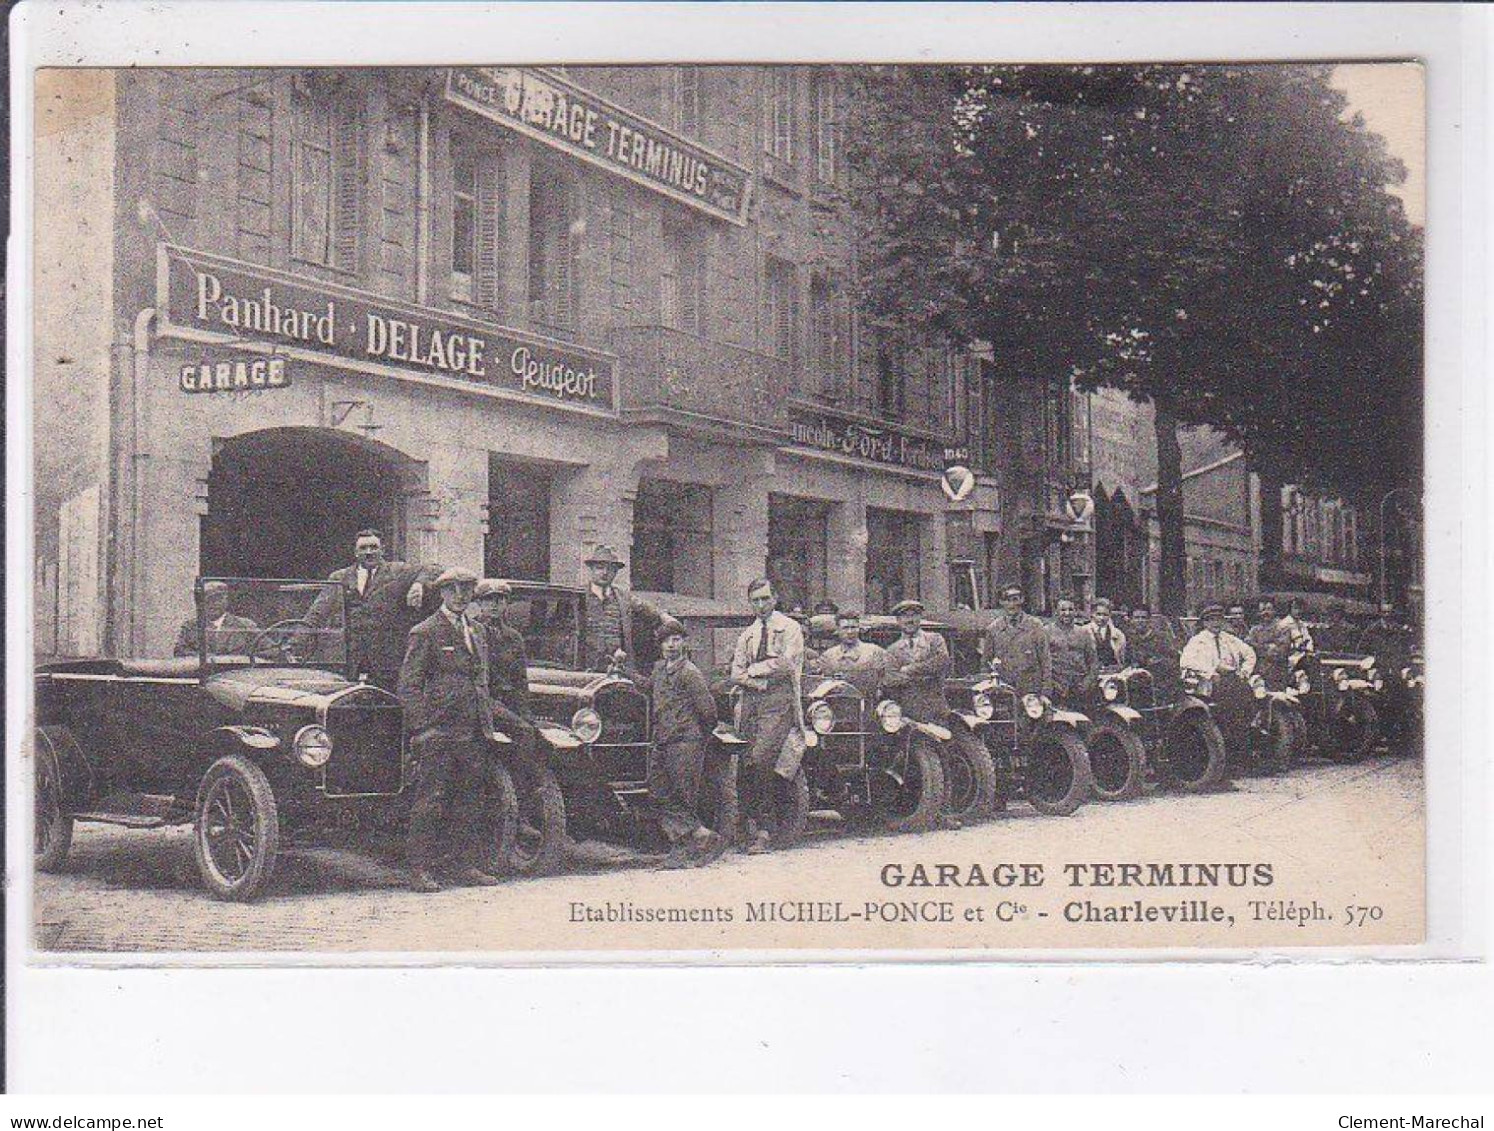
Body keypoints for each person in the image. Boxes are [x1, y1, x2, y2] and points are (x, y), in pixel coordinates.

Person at [397, 567, 504, 893]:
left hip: (473, 728)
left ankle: (463, 864)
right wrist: (421, 728)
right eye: (453, 590)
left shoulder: (478, 631)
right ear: (441, 593)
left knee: (470, 798)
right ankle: (420, 870)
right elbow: (409, 684)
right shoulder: (425, 631)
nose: (460, 596)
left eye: (466, 590)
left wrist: (486, 722)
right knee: (431, 799)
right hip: (439, 730)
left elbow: (482, 680)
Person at [729, 578, 806, 855]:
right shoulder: (747, 635)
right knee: (745, 761)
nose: (760, 605)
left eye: (765, 599)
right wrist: (755, 680)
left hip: (779, 702)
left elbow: (786, 664)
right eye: (755, 600)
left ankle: (766, 829)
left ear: (775, 598)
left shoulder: (790, 628)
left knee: (763, 758)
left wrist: (755, 670)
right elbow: (735, 673)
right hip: (751, 702)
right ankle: (745, 825)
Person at [649, 617, 728, 868]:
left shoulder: (690, 673)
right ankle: (702, 835)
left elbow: (708, 711)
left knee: (683, 796)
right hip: (662, 740)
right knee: (659, 792)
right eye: (666, 641)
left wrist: (697, 737)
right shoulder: (659, 669)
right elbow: (647, 686)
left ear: (684, 642)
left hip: (685, 742)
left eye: (676, 640)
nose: (671, 645)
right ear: (660, 645)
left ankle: (681, 850)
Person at [323, 529, 441, 691]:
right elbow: (318, 612)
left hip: (388, 661)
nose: (369, 552)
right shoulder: (339, 577)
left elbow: (433, 569)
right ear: (355, 552)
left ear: (382, 550)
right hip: (349, 659)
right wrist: (297, 638)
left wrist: (418, 584)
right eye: (363, 548)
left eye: (374, 547)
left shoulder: (398, 571)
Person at [470, 578, 542, 805]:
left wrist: (526, 712)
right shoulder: (470, 631)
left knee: (534, 732)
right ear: (479, 603)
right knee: (522, 732)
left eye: (499, 600)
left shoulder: (513, 637)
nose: (493, 605)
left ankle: (529, 793)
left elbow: (520, 680)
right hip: (480, 699)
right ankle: (522, 796)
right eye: (488, 600)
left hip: (507, 700)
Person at [578, 544, 653, 673]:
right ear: (592, 569)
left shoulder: (622, 597)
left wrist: (666, 618)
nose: (605, 573)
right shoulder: (579, 596)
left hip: (616, 666)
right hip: (584, 667)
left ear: (615, 572)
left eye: (610, 569)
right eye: (600, 568)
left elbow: (647, 609)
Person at [882, 599, 951, 723]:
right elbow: (891, 679)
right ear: (898, 620)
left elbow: (941, 662)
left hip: (936, 708)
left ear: (920, 617)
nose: (910, 620)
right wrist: (925, 675)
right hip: (908, 711)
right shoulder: (892, 650)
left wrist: (909, 669)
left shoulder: (934, 639)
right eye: (905, 616)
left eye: (914, 615)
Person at [983, 584, 1052, 698]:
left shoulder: (1035, 626)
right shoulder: (994, 629)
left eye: (1015, 599)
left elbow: (1045, 660)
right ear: (1001, 602)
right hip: (1003, 689)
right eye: (1007, 600)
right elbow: (986, 662)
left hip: (1031, 690)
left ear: (1022, 600)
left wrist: (1046, 691)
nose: (1011, 604)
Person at [808, 610, 889, 698]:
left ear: (859, 629)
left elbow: (884, 681)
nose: (850, 632)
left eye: (853, 627)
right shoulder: (828, 656)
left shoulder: (874, 652)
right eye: (845, 628)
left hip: (868, 701)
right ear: (838, 630)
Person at [173, 580, 260, 658]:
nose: (213, 605)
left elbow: (269, 650)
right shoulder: (190, 627)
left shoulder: (245, 625)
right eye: (207, 600)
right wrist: (207, 658)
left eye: (218, 600)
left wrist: (244, 659)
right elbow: (180, 652)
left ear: (226, 601)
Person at [1180, 603, 1257, 682]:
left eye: (1219, 619)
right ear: (1205, 623)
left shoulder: (1230, 639)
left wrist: (1245, 671)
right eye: (1212, 620)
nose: (1216, 623)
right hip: (1208, 680)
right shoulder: (1196, 641)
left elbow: (1250, 654)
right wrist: (1209, 673)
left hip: (1231, 678)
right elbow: (1185, 662)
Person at [1046, 596, 1098, 708]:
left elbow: (1093, 662)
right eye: (1063, 610)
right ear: (1056, 611)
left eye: (1071, 609)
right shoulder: (1046, 632)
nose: (1067, 613)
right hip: (1056, 687)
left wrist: (1087, 682)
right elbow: (1041, 661)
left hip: (1080, 687)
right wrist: (1051, 683)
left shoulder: (1083, 633)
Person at [1125, 607, 1181, 692]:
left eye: (1143, 618)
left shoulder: (1162, 638)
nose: (1140, 620)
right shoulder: (1130, 639)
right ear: (1131, 620)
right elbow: (1127, 661)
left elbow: (1173, 660)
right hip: (1136, 685)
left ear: (1149, 620)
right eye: (1136, 618)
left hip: (1159, 684)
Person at [1085, 597, 1128, 669]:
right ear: (1092, 614)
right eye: (1098, 614)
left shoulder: (1118, 634)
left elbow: (1121, 658)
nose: (1101, 618)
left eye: (1105, 615)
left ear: (1110, 615)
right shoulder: (1083, 632)